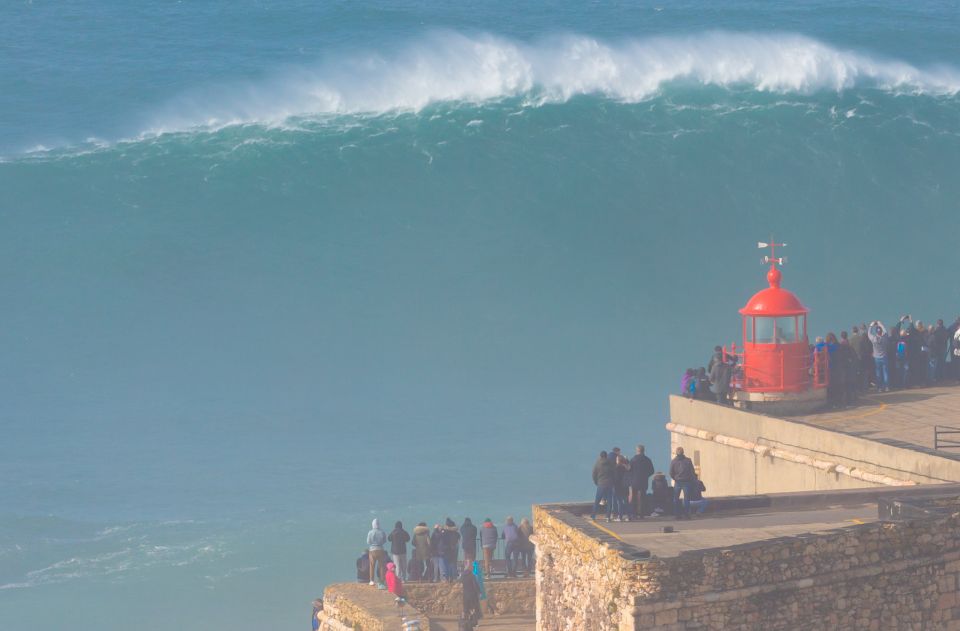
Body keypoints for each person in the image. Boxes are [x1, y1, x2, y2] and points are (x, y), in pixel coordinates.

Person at [628, 444, 655, 520]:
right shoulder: (647, 460)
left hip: (634, 481)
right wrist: (645, 475)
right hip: (643, 481)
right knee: (643, 498)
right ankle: (641, 514)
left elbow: (629, 470)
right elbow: (652, 471)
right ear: (643, 451)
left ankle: (634, 514)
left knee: (634, 498)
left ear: (637, 450)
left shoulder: (633, 459)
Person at [669, 447, 696, 520]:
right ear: (683, 452)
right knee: (686, 499)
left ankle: (677, 515)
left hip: (678, 482)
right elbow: (692, 472)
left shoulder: (674, 461)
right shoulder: (688, 460)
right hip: (686, 481)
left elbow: (671, 473)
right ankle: (686, 514)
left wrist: (675, 478)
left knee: (676, 499)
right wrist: (693, 480)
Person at [591, 450, 615, 522]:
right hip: (609, 484)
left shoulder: (597, 463)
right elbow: (614, 473)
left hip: (601, 484)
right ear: (606, 456)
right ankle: (608, 517)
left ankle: (593, 516)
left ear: (600, 456)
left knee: (597, 500)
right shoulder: (611, 463)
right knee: (610, 501)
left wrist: (596, 482)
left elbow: (594, 474)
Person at [868, 321, 890, 392]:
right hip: (884, 357)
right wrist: (880, 324)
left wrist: (871, 325)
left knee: (878, 373)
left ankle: (879, 388)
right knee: (885, 373)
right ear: (881, 332)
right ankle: (886, 387)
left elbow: (869, 334)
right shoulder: (885, 338)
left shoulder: (874, 339)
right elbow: (885, 331)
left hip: (877, 358)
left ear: (876, 332)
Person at [461, 561, 483, 630]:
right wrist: (479, 592)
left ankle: (464, 622)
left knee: (466, 609)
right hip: (472, 595)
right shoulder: (472, 575)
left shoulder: (462, 575)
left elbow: (460, 583)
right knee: (473, 609)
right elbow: (475, 585)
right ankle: (474, 622)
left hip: (465, 595)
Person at [367, 519, 388, 587]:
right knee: (382, 566)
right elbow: (385, 540)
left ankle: (371, 581)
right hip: (380, 549)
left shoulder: (370, 532)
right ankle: (382, 581)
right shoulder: (382, 532)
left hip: (372, 550)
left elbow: (368, 542)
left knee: (372, 565)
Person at [613, 455, 630, 521]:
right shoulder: (626, 468)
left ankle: (620, 517)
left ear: (618, 460)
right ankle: (628, 516)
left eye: (616, 459)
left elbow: (616, 478)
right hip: (625, 486)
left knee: (619, 502)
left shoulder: (616, 468)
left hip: (618, 487)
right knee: (626, 502)